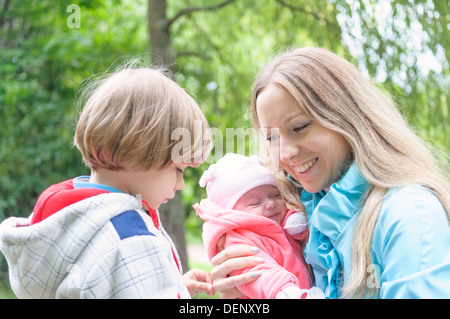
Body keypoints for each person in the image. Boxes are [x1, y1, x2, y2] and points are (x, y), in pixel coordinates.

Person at [210, 47, 450, 299]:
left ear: (345, 116)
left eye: (300, 127)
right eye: (271, 137)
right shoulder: (299, 219)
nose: (286, 152)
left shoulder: (408, 213)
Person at [0, 65, 215, 299]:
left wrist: (174, 288)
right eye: (178, 169)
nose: (180, 184)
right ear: (137, 150)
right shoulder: (131, 238)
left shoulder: (63, 217)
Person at [194, 153, 323, 299]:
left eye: (275, 195)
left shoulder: (278, 227)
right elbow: (257, 270)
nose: (271, 203)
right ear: (234, 214)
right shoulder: (238, 241)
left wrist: (296, 225)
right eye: (255, 203)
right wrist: (282, 290)